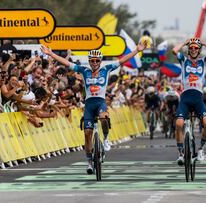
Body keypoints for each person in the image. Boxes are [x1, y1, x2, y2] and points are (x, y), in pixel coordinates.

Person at [41, 41, 146, 174]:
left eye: (97, 60)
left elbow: (122, 60)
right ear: (89, 61)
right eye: (92, 60)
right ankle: (90, 162)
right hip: (89, 104)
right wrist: (51, 54)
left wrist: (137, 50)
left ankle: (106, 138)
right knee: (87, 133)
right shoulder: (84, 70)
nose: (95, 62)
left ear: (100, 61)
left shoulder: (106, 69)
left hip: (101, 102)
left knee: (103, 118)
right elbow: (67, 63)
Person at [172, 37, 206, 165]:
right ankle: (181, 154)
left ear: (199, 50)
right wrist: (185, 43)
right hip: (185, 97)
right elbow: (174, 51)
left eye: (196, 48)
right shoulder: (184, 60)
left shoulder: (203, 61)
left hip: (198, 98)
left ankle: (201, 149)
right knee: (179, 124)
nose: (193, 49)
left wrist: (203, 43)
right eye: (191, 48)